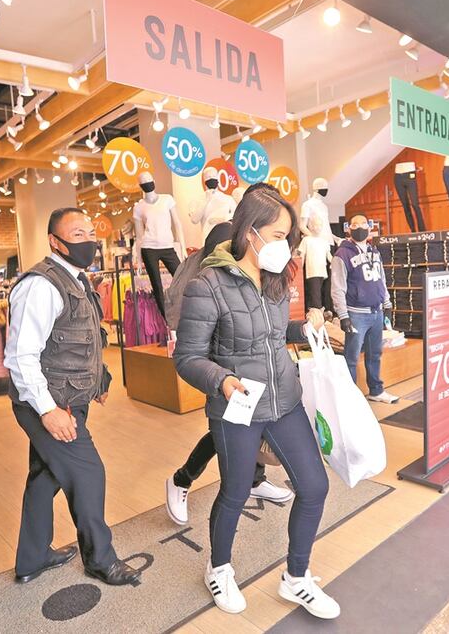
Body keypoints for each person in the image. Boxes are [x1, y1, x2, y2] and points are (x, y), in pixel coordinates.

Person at [174, 185, 339, 620]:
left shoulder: (275, 279)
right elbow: (187, 357)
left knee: (314, 486)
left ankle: (296, 578)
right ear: (251, 233)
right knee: (234, 492)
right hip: (237, 406)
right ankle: (219, 567)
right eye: (280, 234)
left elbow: (272, 334)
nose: (286, 244)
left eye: (289, 235)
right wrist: (222, 381)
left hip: (283, 398)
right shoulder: (207, 285)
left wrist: (308, 329)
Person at [3, 208, 140, 587]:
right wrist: (48, 411)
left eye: (90, 232)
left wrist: (101, 378)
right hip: (49, 403)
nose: (88, 241)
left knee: (45, 476)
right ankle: (100, 559)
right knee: (87, 472)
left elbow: (82, 340)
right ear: (55, 241)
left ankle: (32, 558)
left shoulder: (77, 281)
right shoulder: (41, 286)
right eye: (77, 234)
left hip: (68, 397)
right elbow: (21, 356)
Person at [163, 221, 293, 526]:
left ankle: (253, 481)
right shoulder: (208, 274)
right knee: (227, 430)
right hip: (216, 363)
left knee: (251, 423)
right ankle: (182, 479)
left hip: (246, 362)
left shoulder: (250, 260)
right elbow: (191, 336)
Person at [331, 214, 400, 404]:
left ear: (369, 228)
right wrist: (343, 316)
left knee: (375, 354)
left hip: (376, 313)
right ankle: (351, 398)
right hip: (356, 315)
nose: (359, 227)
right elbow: (337, 287)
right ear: (348, 229)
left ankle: (376, 391)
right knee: (351, 357)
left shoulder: (374, 252)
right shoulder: (342, 255)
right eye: (354, 224)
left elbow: (382, 280)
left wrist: (387, 303)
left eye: (363, 224)